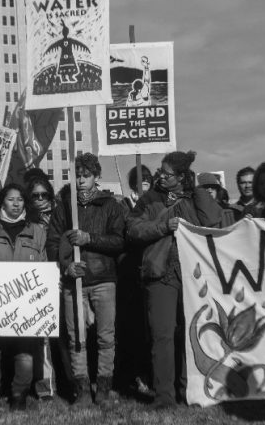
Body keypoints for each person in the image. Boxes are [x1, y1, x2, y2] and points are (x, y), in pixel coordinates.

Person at [126, 151, 223, 408]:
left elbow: (214, 220)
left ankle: (188, 391)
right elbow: (133, 230)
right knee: (163, 336)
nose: (161, 176)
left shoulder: (194, 197)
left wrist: (197, 189)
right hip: (160, 274)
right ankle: (165, 397)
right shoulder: (150, 199)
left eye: (168, 173)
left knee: (190, 336)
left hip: (193, 276)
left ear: (181, 176)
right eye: (161, 170)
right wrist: (161, 227)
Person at [46, 153, 126, 407]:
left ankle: (103, 388)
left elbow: (119, 241)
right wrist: (67, 266)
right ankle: (81, 390)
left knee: (106, 337)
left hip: (103, 278)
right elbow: (53, 242)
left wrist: (89, 238)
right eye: (77, 175)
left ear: (96, 177)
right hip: (74, 281)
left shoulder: (110, 206)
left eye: (86, 175)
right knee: (76, 338)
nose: (81, 180)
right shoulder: (64, 206)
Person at [0, 183, 47, 412]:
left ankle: (18, 395)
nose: (16, 203)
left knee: (24, 350)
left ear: (26, 203)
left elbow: (44, 264)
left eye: (20, 199)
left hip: (26, 303)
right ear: (2, 201)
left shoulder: (38, 231)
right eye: (11, 199)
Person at [116, 165, 155, 401]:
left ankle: (150, 373)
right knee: (133, 328)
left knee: (152, 328)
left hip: (151, 271)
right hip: (129, 274)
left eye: (149, 181)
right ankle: (134, 375)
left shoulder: (154, 204)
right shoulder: (124, 206)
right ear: (133, 184)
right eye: (141, 181)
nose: (145, 184)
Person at [24, 175, 62, 401]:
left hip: (61, 278)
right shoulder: (26, 221)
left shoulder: (61, 217)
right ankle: (45, 386)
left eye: (44, 195)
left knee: (65, 338)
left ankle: (68, 383)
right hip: (38, 283)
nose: (40, 199)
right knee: (43, 338)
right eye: (35, 195)